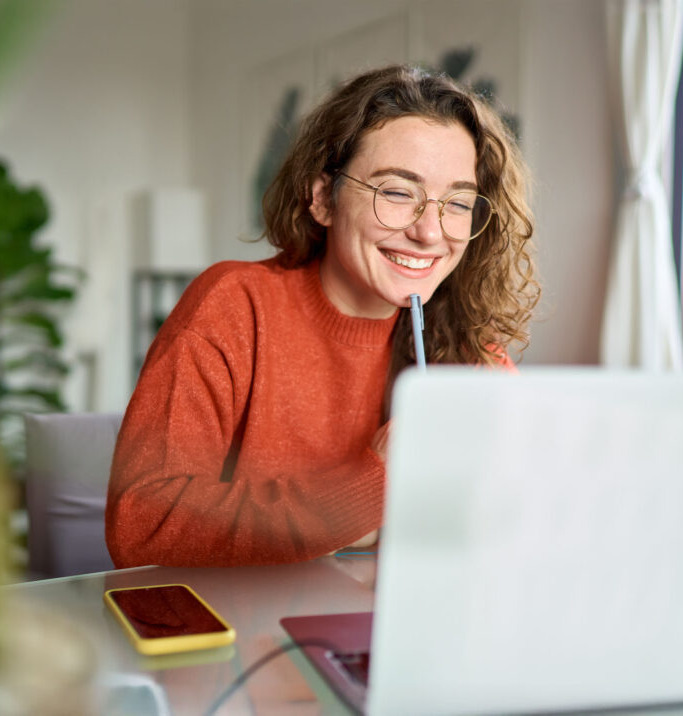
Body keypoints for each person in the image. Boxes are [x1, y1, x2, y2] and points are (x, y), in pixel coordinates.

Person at [105, 64, 539, 567]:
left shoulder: (466, 343)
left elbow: (518, 519)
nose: (430, 232)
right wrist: (374, 482)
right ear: (322, 199)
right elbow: (141, 524)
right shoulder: (233, 306)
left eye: (457, 203)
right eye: (397, 192)